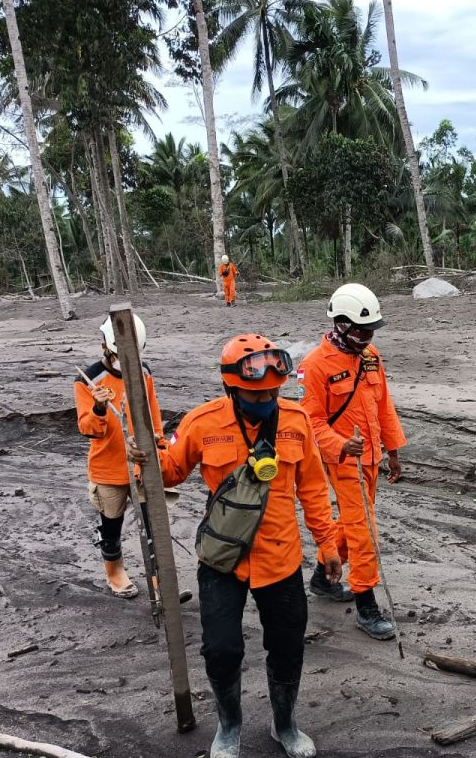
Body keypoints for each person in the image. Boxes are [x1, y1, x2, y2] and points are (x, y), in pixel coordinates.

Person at [128, 333, 341, 758]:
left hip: (281, 559)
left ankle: (285, 724)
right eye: (255, 392)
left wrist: (328, 544)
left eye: (272, 391)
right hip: (223, 559)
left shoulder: (296, 422)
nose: (265, 399)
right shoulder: (202, 422)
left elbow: (314, 489)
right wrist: (144, 456)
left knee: (286, 646)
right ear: (231, 386)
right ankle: (229, 727)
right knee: (221, 648)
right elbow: (168, 474)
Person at [297, 283, 406, 641]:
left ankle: (321, 578)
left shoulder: (371, 356)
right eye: (361, 330)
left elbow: (384, 405)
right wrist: (343, 445)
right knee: (363, 532)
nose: (366, 336)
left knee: (352, 521)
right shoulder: (314, 365)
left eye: (370, 330)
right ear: (340, 324)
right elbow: (310, 422)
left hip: (372, 458)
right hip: (343, 462)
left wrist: (392, 450)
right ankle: (365, 604)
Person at [73, 314, 164, 598]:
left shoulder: (143, 373)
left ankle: (160, 578)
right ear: (106, 347)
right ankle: (115, 572)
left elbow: (153, 414)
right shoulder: (88, 380)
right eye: (120, 355)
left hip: (142, 466)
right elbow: (88, 430)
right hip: (108, 468)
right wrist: (99, 409)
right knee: (111, 526)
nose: (127, 361)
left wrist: (159, 445)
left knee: (154, 526)